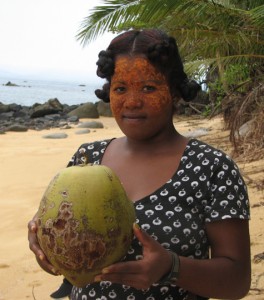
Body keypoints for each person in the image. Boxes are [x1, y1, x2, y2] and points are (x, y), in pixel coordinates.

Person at [28, 29, 251, 300]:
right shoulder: (86, 157)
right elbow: (69, 242)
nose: (132, 102)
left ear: (175, 91)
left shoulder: (211, 168)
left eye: (149, 87)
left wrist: (171, 266)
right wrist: (45, 242)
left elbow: (237, 281)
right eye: (121, 88)